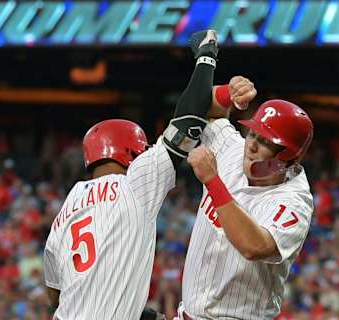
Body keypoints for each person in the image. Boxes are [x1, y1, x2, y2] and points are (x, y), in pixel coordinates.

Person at [42, 29, 221, 320]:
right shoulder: (136, 181)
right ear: (133, 153)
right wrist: (206, 57)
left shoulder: (68, 206)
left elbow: (54, 294)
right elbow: (189, 121)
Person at [179, 78, 315, 319]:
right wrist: (227, 94)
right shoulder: (232, 148)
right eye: (253, 134)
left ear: (290, 158)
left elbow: (255, 246)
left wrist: (213, 181)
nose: (251, 146)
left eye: (265, 142)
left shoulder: (294, 200)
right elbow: (196, 105)